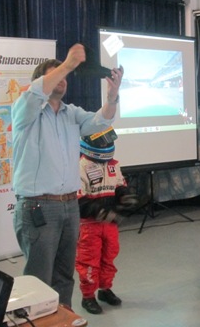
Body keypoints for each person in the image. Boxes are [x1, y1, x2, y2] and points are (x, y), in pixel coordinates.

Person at [11, 43, 124, 307]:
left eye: (65, 77)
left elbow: (102, 121)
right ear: (42, 81)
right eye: (57, 75)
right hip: (39, 206)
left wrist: (112, 96)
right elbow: (34, 93)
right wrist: (68, 63)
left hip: (69, 205)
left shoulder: (70, 113)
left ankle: (63, 318)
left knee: (64, 275)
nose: (63, 80)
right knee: (39, 278)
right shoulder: (25, 109)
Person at [75, 127, 138, 314]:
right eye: (102, 141)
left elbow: (119, 185)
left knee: (109, 256)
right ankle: (88, 296)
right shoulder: (80, 166)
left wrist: (125, 196)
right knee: (89, 260)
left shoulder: (113, 164)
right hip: (89, 226)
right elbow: (80, 202)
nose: (106, 144)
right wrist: (102, 212)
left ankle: (105, 288)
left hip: (109, 225)